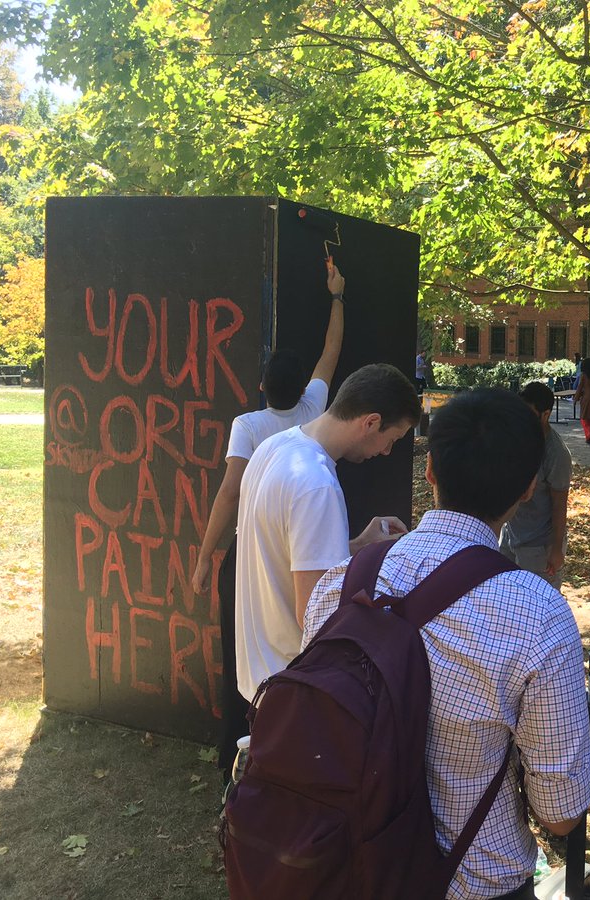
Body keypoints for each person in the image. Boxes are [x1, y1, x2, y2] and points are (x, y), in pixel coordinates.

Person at [302, 388, 590, 900]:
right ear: (528, 487)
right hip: (472, 885)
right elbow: (563, 814)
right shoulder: (538, 615)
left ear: (430, 469)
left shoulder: (342, 585)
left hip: (346, 871)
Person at [192, 262, 346, 774]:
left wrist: (204, 558)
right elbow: (331, 353)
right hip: (295, 549)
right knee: (291, 645)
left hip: (248, 550)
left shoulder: (247, 424)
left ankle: (235, 749)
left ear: (261, 385)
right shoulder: (314, 411)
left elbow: (227, 495)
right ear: (302, 387)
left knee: (243, 652)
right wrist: (337, 296)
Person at [234, 363, 422, 702]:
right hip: (296, 690)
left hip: (260, 678)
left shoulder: (272, 448)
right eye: (391, 440)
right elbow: (316, 613)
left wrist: (358, 545)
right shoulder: (316, 484)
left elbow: (285, 556)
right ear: (371, 422)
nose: (385, 452)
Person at [499, 382, 572, 588]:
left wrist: (556, 549)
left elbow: (560, 503)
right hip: (510, 535)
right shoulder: (519, 439)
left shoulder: (556, 453)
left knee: (538, 605)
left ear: (545, 414)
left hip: (540, 546)